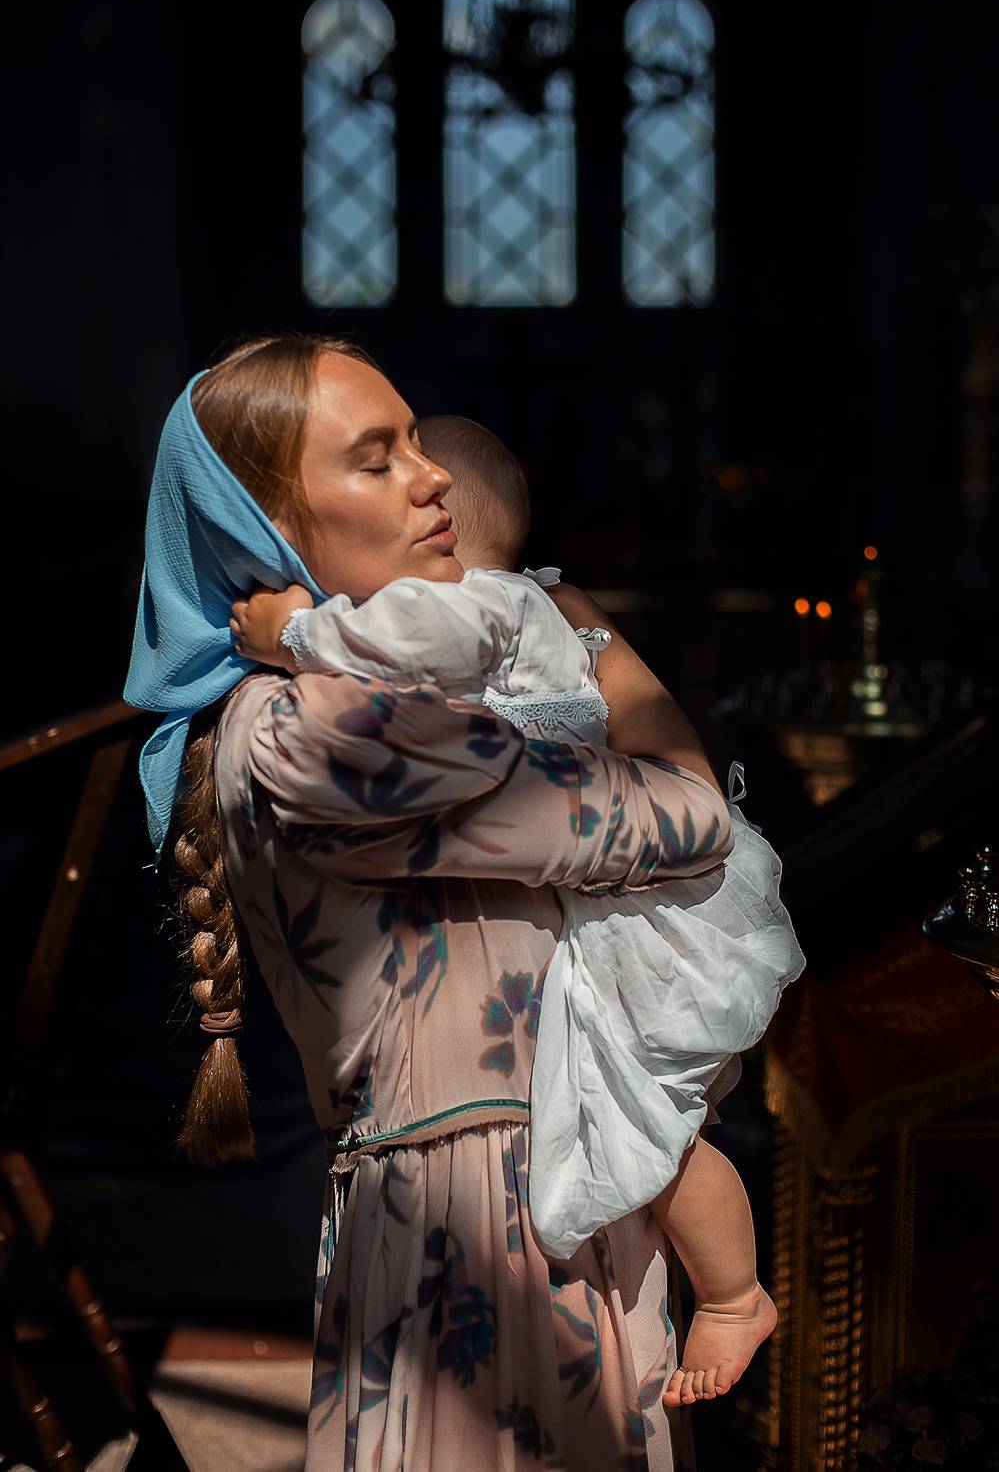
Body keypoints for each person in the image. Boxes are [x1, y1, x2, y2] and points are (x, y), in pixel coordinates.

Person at [124, 334, 735, 1469]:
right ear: (267, 529)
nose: (434, 475)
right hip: (487, 1238)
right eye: (376, 459)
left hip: (549, 1192)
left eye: (417, 441)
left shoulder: (367, 704)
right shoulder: (313, 737)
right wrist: (586, 636)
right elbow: (690, 817)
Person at [230, 413, 799, 1408]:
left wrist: (293, 632)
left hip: (619, 908)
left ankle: (735, 1294)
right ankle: (731, 1291)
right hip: (630, 903)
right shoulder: (548, 609)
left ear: (439, 531)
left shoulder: (468, 610)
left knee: (646, 1120)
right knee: (651, 1120)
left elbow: (379, 656)